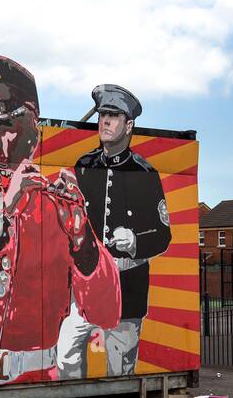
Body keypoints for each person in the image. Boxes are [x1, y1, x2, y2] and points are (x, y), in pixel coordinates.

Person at [0, 54, 121, 387]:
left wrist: (81, 237)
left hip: (42, 376)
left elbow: (106, 312)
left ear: (32, 132)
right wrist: (6, 204)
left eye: (7, 125)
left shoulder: (56, 199)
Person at [57, 84, 172, 377]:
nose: (105, 122)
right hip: (88, 278)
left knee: (119, 366)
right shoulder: (84, 165)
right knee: (66, 351)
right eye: (102, 115)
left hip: (127, 281)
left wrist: (134, 241)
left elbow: (163, 235)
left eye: (113, 116)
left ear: (129, 124)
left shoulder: (145, 173)